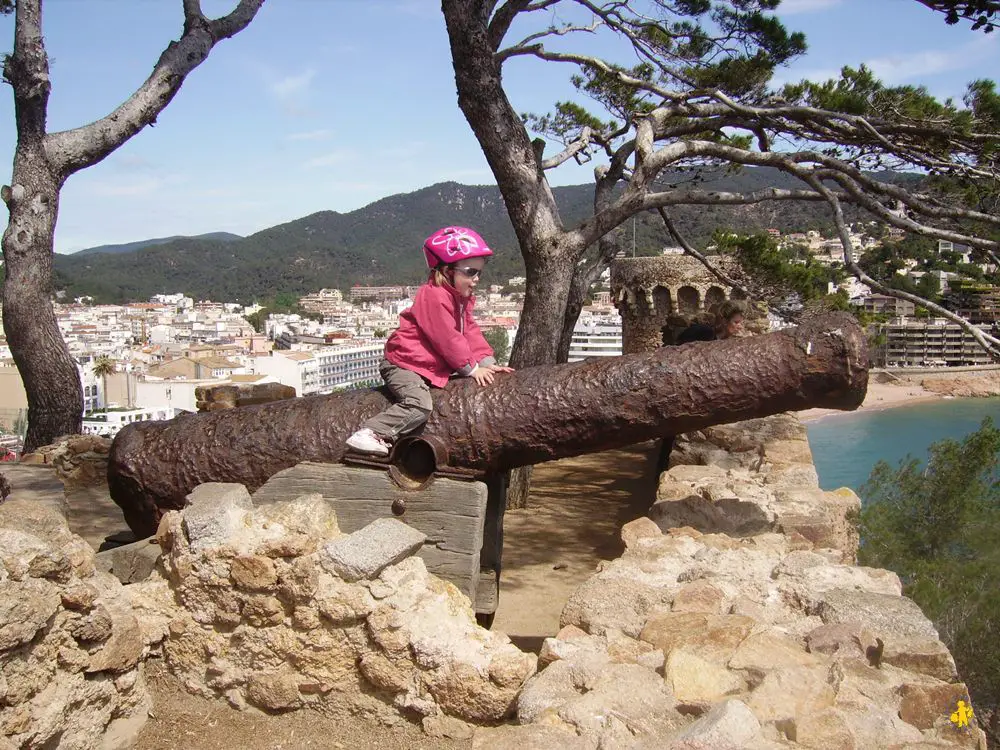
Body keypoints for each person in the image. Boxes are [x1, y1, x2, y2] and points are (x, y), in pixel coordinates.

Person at [345, 226, 513, 456]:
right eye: (470, 272)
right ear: (447, 270)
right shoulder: (434, 296)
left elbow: (469, 331)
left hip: (422, 366)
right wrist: (471, 368)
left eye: (479, 273)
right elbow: (447, 337)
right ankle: (371, 432)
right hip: (403, 364)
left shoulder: (459, 299)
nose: (476, 280)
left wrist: (485, 362)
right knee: (419, 404)